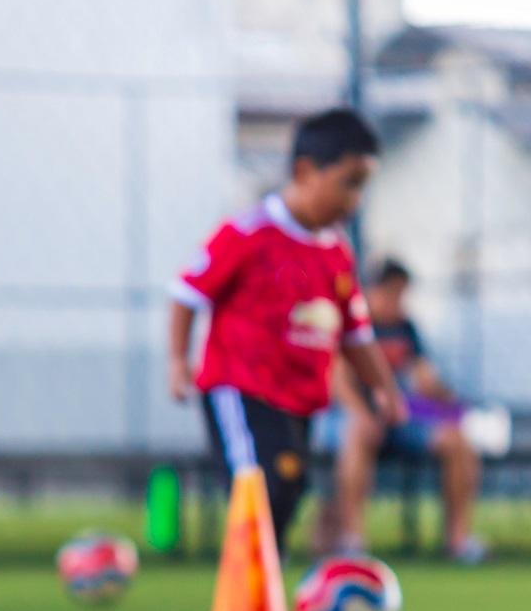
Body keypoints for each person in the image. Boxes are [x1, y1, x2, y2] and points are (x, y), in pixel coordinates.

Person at [167, 107, 404, 559]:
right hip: (241, 389)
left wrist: (385, 389)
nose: (355, 200)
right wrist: (178, 361)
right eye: (349, 183)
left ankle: (264, 610)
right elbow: (185, 293)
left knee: (288, 492)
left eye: (363, 186)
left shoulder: (336, 252)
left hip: (298, 398)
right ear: (305, 171)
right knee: (259, 491)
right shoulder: (248, 233)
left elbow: (355, 334)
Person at [323, 259, 484, 562]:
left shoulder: (406, 329)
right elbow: (337, 382)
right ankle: (353, 539)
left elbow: (423, 378)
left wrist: (444, 398)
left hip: (400, 418)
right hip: (352, 419)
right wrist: (363, 413)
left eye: (402, 294)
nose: (397, 302)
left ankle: (458, 539)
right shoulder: (353, 325)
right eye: (391, 293)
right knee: (359, 432)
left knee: (457, 440)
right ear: (371, 291)